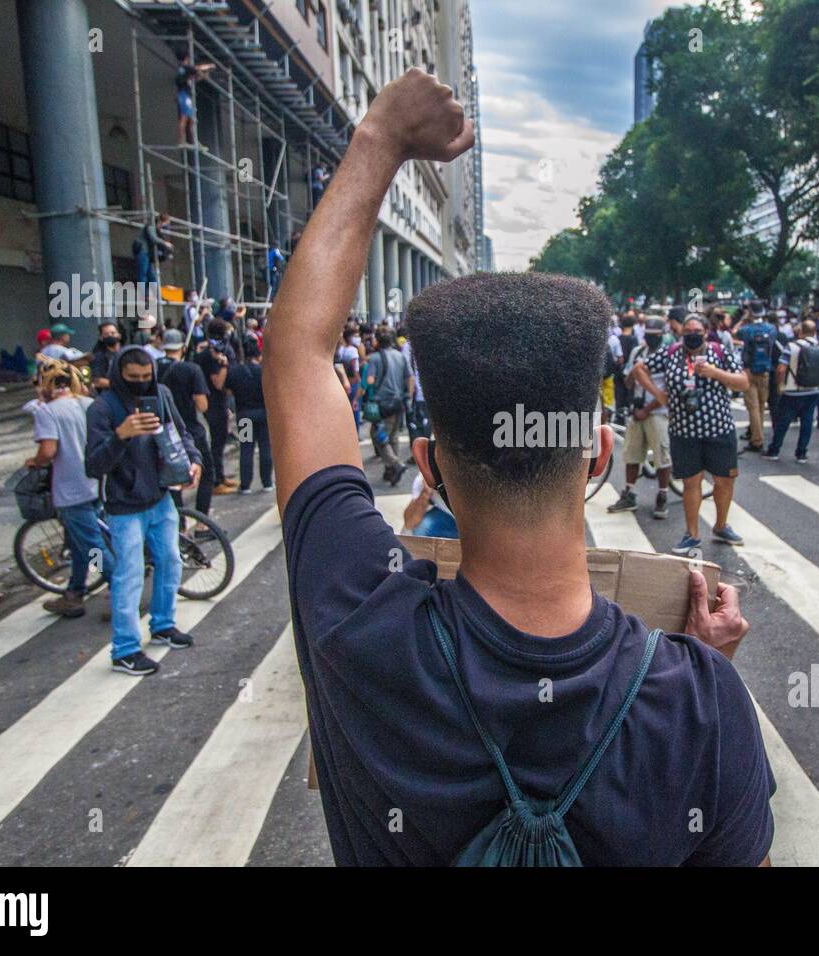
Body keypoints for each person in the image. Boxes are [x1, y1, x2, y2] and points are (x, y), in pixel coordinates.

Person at [263, 69, 772, 866]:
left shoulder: (359, 624)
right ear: (599, 453)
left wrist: (383, 137)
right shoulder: (704, 704)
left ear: (428, 467)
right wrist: (696, 679)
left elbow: (297, 356)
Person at [84, 346, 203, 676]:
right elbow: (93, 465)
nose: (140, 383)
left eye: (146, 377)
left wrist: (195, 461)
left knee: (171, 560)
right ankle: (125, 649)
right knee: (130, 574)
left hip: (162, 496)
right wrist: (121, 435)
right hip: (124, 506)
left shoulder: (161, 394)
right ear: (120, 375)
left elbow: (181, 433)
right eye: (132, 378)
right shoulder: (102, 409)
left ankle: (163, 624)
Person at [634, 312, 749, 555]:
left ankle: (720, 525)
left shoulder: (719, 352)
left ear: (706, 333)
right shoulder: (671, 352)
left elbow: (743, 382)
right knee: (691, 483)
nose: (692, 336)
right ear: (680, 333)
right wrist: (659, 396)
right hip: (683, 432)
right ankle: (692, 533)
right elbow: (639, 370)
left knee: (724, 480)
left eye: (697, 332)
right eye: (687, 332)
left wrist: (714, 372)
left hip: (719, 429)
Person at [24, 357, 113, 618]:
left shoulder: (47, 412)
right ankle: (74, 592)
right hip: (97, 483)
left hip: (71, 489)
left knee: (93, 546)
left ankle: (119, 587)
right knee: (79, 543)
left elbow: (48, 450)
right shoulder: (90, 404)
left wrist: (35, 461)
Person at [608, 316, 671, 518]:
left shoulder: (668, 356)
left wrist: (648, 409)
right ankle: (629, 492)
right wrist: (632, 375)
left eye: (656, 336)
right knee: (631, 455)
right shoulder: (638, 352)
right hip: (636, 411)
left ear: (662, 336)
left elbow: (668, 390)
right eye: (649, 335)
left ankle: (662, 495)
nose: (652, 339)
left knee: (662, 457)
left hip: (658, 412)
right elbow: (627, 381)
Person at [157, 329, 215, 523]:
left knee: (172, 481)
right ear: (183, 347)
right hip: (190, 430)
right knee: (206, 474)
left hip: (161, 433)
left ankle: (179, 526)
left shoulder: (153, 369)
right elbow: (202, 404)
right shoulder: (191, 369)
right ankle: (202, 524)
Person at [209, 336, 271, 494]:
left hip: (244, 414)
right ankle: (267, 482)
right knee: (265, 447)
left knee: (246, 448)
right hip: (264, 414)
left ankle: (245, 485)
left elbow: (228, 391)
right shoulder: (264, 371)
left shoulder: (235, 371)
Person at [762, 319, 819, 463]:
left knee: (783, 421)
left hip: (793, 389)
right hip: (815, 390)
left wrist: (780, 385)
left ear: (800, 332)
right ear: (815, 332)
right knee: (807, 421)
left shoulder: (791, 347)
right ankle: (801, 453)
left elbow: (781, 369)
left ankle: (774, 450)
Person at [194, 319, 238, 496]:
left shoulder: (207, 351)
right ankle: (216, 480)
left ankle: (220, 476)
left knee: (223, 442)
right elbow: (218, 383)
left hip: (221, 404)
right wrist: (225, 365)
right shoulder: (213, 356)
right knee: (219, 442)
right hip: (217, 403)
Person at [363, 326, 411, 486]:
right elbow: (409, 378)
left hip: (381, 404)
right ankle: (390, 469)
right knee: (393, 436)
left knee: (378, 435)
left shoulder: (374, 358)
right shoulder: (400, 356)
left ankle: (395, 464)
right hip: (397, 402)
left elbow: (369, 380)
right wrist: (408, 397)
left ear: (377, 341)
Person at [735, 299, 777, 453]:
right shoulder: (772, 329)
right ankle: (757, 435)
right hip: (765, 370)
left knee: (752, 406)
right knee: (760, 405)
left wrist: (743, 318)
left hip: (749, 371)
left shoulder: (747, 330)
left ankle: (757, 440)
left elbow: (735, 332)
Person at [175, 50, 215, 146]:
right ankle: (182, 141)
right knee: (184, 118)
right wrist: (209, 66)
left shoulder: (183, 70)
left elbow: (192, 78)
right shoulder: (184, 67)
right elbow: (196, 68)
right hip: (184, 95)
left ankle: (194, 141)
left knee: (192, 119)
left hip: (185, 95)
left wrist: (203, 76)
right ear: (186, 58)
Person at [402, 472, 457, 538]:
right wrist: (426, 492)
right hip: (450, 516)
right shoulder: (424, 478)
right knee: (421, 528)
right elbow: (409, 523)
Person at [134, 213, 174, 293]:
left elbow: (159, 240)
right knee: (143, 274)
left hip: (147, 254)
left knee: (152, 276)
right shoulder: (150, 227)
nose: (164, 226)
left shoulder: (156, 230)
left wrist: (167, 252)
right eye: (165, 224)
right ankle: (144, 294)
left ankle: (156, 294)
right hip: (143, 251)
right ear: (161, 221)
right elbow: (154, 239)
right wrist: (165, 243)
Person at [89, 321, 123, 392]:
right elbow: (97, 381)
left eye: (113, 333)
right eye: (106, 334)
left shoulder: (125, 353)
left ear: (119, 335)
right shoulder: (99, 356)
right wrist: (121, 385)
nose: (110, 335)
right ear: (101, 337)